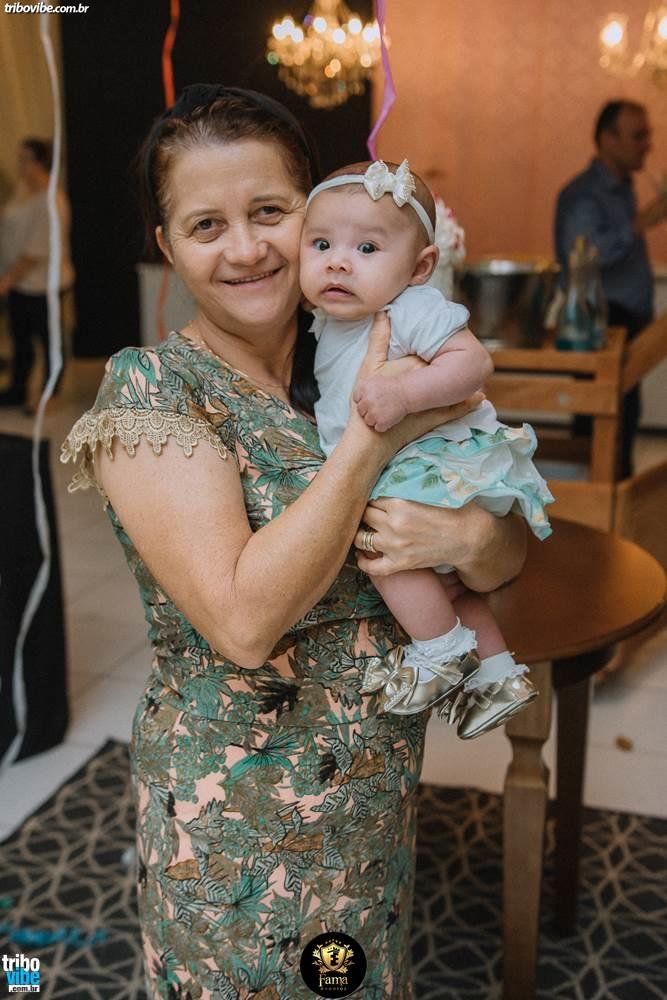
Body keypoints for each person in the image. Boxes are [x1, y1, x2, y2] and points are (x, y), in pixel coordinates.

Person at [61, 85, 527, 999]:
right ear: (167, 247)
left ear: (314, 214)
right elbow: (243, 624)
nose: (245, 249)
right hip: (236, 814)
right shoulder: (153, 390)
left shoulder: (365, 344)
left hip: (374, 789)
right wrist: (373, 440)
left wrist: (470, 534)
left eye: (269, 212)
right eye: (206, 225)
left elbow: (502, 557)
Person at [301, 158, 552, 737]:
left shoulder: (408, 307)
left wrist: (405, 394)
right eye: (320, 244)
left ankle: (439, 651)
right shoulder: (328, 320)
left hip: (432, 459)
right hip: (415, 464)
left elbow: (473, 363)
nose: (337, 261)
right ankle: (497, 675)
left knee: (387, 554)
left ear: (419, 267)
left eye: (367, 248)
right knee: (443, 583)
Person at [554, 99, 667, 478]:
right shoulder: (584, 195)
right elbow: (582, 256)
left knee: (625, 421)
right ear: (608, 138)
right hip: (600, 326)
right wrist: (641, 222)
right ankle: (591, 507)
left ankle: (616, 503)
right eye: (638, 136)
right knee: (599, 429)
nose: (648, 145)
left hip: (626, 324)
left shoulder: (622, 188)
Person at [0, 138, 74, 411]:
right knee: (21, 341)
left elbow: (35, 251)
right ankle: (17, 389)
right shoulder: (23, 190)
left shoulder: (51, 201)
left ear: (41, 163)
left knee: (50, 341)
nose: (20, 165)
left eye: (25, 160)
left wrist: (6, 282)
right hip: (20, 283)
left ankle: (49, 395)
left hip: (44, 284)